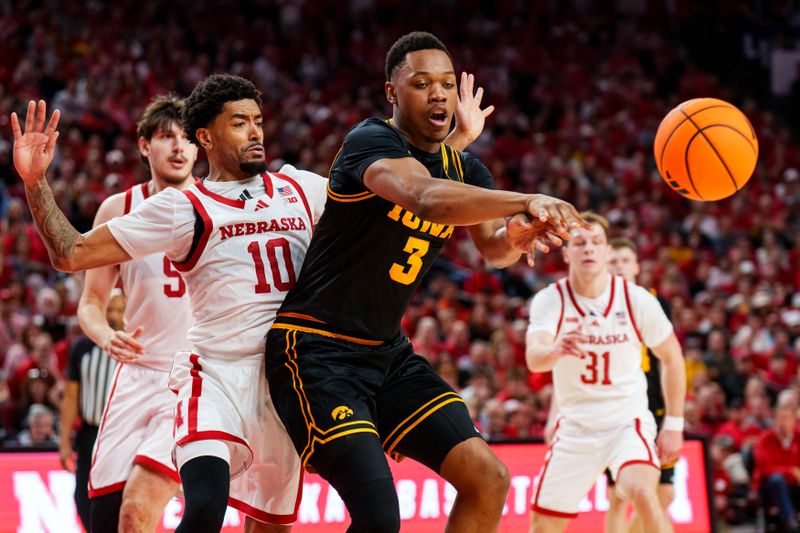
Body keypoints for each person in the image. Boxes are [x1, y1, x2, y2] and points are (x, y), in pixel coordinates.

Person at [10, 71, 495, 532]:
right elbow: (70, 252)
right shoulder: (185, 207)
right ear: (205, 137)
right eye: (239, 123)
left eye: (258, 120)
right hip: (216, 376)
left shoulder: (301, 188)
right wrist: (35, 183)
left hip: (289, 379)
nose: (255, 132)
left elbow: (393, 197)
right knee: (204, 510)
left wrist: (457, 144)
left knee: (270, 526)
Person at [265, 31, 585, 533]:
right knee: (379, 516)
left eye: (446, 84)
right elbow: (426, 199)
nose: (439, 94)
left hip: (387, 354)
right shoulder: (369, 141)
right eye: (421, 84)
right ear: (392, 93)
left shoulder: (467, 168)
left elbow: (494, 248)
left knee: (489, 477)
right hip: (316, 351)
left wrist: (517, 236)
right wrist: (525, 198)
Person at [78, 94, 197, 533]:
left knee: (136, 511)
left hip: (192, 377)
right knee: (105, 518)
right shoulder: (118, 209)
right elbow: (90, 303)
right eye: (167, 137)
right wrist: (105, 334)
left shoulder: (216, 206)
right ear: (145, 145)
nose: (179, 147)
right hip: (136, 373)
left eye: (187, 138)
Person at [525, 212, 686, 533]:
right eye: (580, 242)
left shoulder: (635, 298)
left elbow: (673, 358)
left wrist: (674, 424)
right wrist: (555, 350)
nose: (588, 249)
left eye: (596, 242)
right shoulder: (550, 300)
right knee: (544, 526)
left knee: (642, 490)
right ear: (567, 252)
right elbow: (535, 358)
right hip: (575, 430)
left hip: (627, 424)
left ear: (607, 252)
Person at [604, 237, 678, 532]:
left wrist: (675, 410)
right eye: (614, 261)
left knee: (665, 492)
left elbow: (669, 358)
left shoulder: (655, 301)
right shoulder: (598, 304)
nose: (620, 266)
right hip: (617, 406)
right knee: (618, 496)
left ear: (636, 266)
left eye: (625, 260)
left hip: (654, 402)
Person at [59, 290, 123, 531]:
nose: (115, 315)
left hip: (121, 433)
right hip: (89, 433)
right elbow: (72, 397)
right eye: (110, 310)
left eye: (120, 310)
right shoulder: (81, 349)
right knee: (82, 497)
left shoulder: (136, 347)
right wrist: (64, 440)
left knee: (120, 497)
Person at [752, 401, 800, 532]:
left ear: (794, 420)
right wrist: (791, 471)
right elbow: (766, 469)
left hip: (794, 485)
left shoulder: (798, 436)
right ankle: (790, 522)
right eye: (780, 418)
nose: (783, 423)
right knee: (777, 480)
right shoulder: (765, 439)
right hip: (768, 487)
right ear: (774, 420)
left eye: (787, 418)